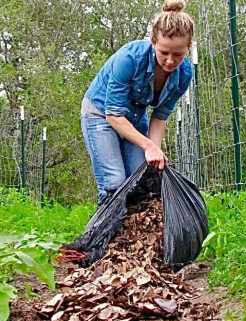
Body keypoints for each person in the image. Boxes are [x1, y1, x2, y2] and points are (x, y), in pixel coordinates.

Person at [81, 0, 194, 205]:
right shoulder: (130, 58)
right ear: (153, 42)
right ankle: (105, 234)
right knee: (114, 182)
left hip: (134, 117)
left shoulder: (184, 74)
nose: (170, 61)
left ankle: (136, 236)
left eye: (178, 54)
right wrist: (148, 145)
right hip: (100, 114)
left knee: (141, 179)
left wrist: (154, 152)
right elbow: (113, 114)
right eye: (164, 52)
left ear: (188, 48)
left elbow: (160, 117)